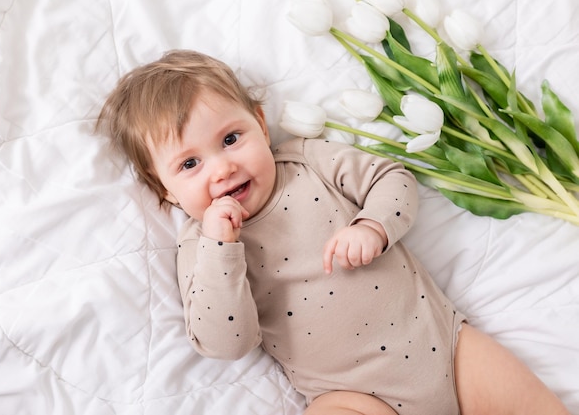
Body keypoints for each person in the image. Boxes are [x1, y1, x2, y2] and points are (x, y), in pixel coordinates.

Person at [96, 49, 570, 415]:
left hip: (443, 348)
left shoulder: (309, 160)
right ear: (168, 191)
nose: (222, 168)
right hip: (350, 395)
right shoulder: (201, 247)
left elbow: (394, 179)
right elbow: (226, 343)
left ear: (260, 124)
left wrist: (373, 225)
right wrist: (223, 250)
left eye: (230, 138)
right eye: (191, 164)